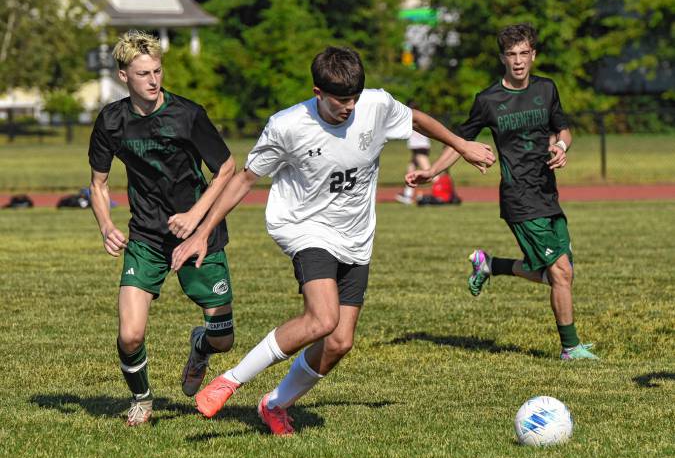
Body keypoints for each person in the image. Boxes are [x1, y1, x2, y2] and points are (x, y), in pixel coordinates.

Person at [171, 46, 496, 436]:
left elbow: (417, 119)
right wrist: (203, 232)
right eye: (341, 100)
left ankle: (275, 405)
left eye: (354, 98)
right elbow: (243, 179)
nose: (350, 107)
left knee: (340, 341)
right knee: (322, 319)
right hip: (305, 227)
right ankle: (230, 380)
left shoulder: (375, 105)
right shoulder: (287, 126)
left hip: (357, 235)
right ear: (318, 92)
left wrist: (461, 145)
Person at [406, 23, 598, 360]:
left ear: (533, 55)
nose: (519, 61)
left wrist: (562, 147)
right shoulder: (488, 100)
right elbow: (459, 142)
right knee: (561, 272)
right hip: (518, 196)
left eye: (524, 53)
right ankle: (570, 348)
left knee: (555, 273)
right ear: (502, 58)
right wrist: (433, 172)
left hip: (547, 194)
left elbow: (563, 130)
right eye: (512, 54)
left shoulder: (547, 89)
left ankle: (490, 265)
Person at [88, 30, 238, 426]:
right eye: (143, 73)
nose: (153, 81)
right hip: (147, 238)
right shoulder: (112, 122)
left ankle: (201, 345)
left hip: (200, 237)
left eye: (157, 71)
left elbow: (226, 168)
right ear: (124, 76)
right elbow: (98, 183)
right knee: (130, 335)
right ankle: (142, 399)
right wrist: (105, 225)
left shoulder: (187, 115)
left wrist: (195, 217)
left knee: (224, 339)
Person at [395, 101, 433, 205]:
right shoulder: (420, 117)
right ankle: (407, 195)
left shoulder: (412, 118)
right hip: (420, 147)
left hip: (419, 147)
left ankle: (440, 191)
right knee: (410, 170)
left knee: (430, 171)